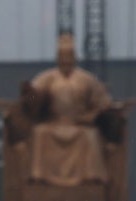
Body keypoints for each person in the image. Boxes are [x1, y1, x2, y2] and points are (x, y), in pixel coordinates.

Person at [27, 33, 113, 187]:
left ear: (74, 57)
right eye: (62, 55)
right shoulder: (47, 78)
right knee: (39, 133)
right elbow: (33, 97)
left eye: (69, 55)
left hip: (79, 125)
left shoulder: (86, 79)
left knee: (91, 136)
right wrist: (31, 95)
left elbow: (103, 102)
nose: (65, 59)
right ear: (57, 57)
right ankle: (38, 176)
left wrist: (91, 116)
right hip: (54, 123)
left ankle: (91, 177)